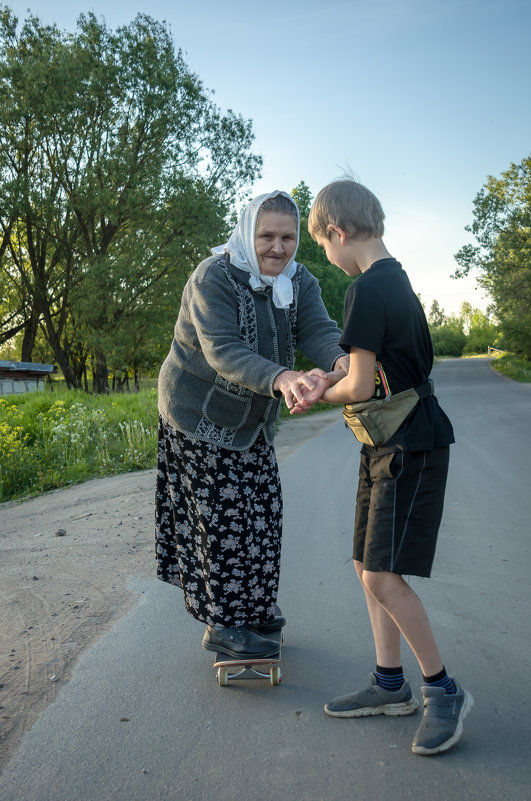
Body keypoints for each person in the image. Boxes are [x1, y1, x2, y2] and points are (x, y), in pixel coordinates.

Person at [297, 178, 472, 756]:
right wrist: (335, 374)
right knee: (364, 563)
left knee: (380, 574)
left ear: (338, 232)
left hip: (408, 444)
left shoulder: (366, 289)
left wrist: (312, 391)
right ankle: (389, 684)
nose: (326, 255)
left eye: (322, 244)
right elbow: (371, 364)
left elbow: (358, 386)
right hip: (392, 440)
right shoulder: (393, 277)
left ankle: (442, 690)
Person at [156, 190, 349, 660]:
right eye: (267, 236)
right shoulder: (213, 277)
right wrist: (284, 377)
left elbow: (318, 330)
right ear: (247, 232)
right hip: (198, 415)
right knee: (222, 523)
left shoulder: (298, 280)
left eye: (287, 237)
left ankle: (256, 609)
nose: (278, 248)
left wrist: (344, 361)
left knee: (262, 515)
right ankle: (224, 624)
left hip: (253, 419)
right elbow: (222, 350)